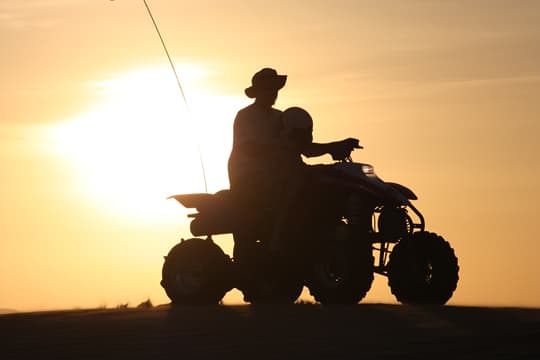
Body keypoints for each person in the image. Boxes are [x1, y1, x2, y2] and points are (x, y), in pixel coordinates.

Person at [228, 68, 359, 260]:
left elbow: (305, 148)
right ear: (258, 91)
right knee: (295, 184)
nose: (273, 93)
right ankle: (278, 238)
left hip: (281, 174)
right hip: (250, 178)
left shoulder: (282, 117)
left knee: (326, 178)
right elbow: (249, 148)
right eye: (268, 88)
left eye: (274, 89)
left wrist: (335, 146)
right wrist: (283, 148)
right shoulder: (246, 116)